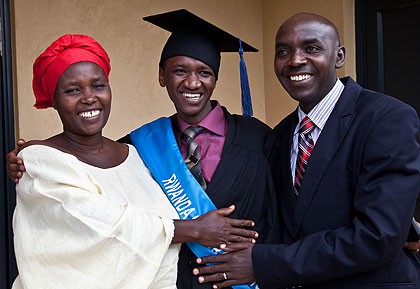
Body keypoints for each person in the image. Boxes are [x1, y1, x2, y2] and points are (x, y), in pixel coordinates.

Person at [11, 34, 258, 289]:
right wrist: (195, 229)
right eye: (72, 90)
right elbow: (101, 222)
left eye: (98, 86)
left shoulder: (135, 154)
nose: (88, 98)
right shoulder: (44, 160)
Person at [193, 12, 420, 288]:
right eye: (283, 52)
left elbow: (378, 236)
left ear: (339, 56)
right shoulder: (279, 136)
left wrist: (264, 263)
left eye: (312, 48)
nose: (295, 60)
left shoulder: (385, 119)